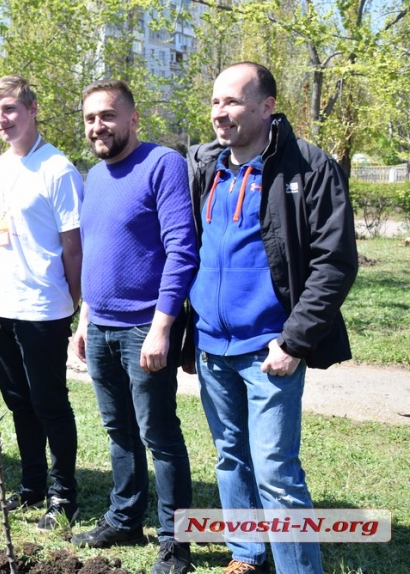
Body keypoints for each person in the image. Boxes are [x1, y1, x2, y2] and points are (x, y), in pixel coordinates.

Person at [187, 62, 358, 574]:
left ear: (266, 106)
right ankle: (247, 556)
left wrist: (294, 341)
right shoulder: (205, 166)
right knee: (229, 458)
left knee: (277, 471)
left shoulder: (307, 167)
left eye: (234, 102)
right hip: (213, 346)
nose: (221, 112)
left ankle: (299, 569)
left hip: (270, 350)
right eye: (216, 101)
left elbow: (336, 261)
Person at [70, 80, 196, 573]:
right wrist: (83, 320)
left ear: (132, 119)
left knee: (158, 433)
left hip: (145, 326)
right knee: (117, 428)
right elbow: (98, 252)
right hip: (99, 326)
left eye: (107, 116)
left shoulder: (162, 164)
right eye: (89, 118)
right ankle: (125, 518)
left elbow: (181, 250)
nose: (97, 126)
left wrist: (163, 327)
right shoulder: (95, 176)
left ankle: (175, 539)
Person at [0, 75, 83, 530]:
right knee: (18, 401)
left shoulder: (57, 168)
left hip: (43, 307)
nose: (3, 120)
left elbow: (73, 245)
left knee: (50, 403)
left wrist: (74, 300)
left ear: (32, 109)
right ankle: (33, 484)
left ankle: (64, 493)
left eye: (10, 110)